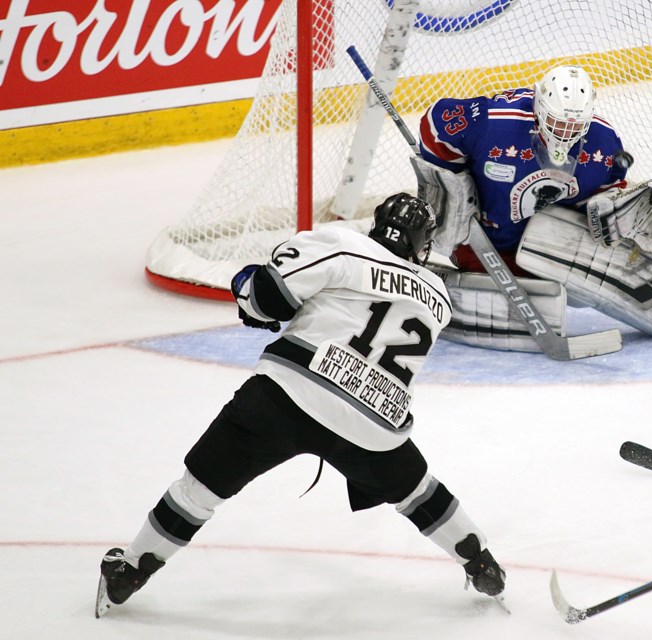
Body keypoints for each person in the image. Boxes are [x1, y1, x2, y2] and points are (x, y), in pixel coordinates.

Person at [96, 193, 506, 618]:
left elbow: (268, 300)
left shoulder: (341, 243)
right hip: (373, 423)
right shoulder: (437, 296)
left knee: (198, 489)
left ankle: (131, 569)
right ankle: (480, 563)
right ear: (420, 244)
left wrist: (246, 286)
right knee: (417, 489)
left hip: (288, 396)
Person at [411, 65, 652, 352]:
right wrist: (454, 188)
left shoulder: (604, 143)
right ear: (538, 109)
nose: (564, 132)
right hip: (478, 239)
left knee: (572, 292)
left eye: (574, 124)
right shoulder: (494, 123)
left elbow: (609, 190)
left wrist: (609, 211)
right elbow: (435, 123)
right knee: (530, 289)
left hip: (544, 243)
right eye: (557, 122)